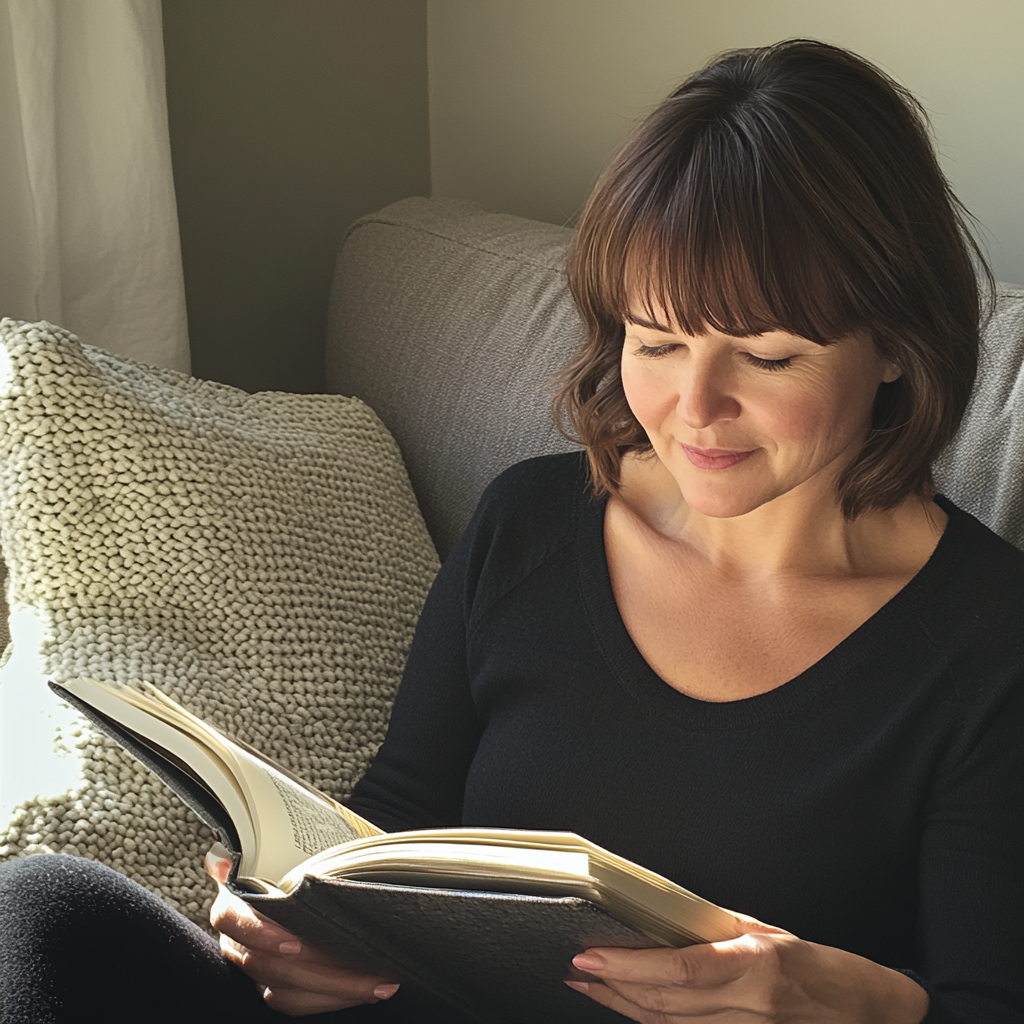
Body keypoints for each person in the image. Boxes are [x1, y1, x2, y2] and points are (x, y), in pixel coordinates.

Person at [1, 38, 1022, 1024]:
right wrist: (295, 940)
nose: (693, 407)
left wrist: (861, 1002)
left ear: (893, 345)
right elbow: (388, 827)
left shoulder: (986, 639)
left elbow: (991, 996)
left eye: (765, 357)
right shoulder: (530, 523)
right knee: (45, 909)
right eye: (656, 341)